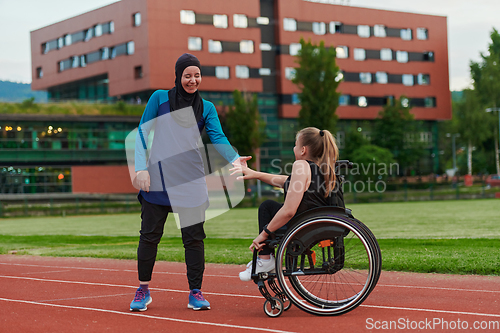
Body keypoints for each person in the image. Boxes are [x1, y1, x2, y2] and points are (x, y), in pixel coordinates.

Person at [130, 53, 250, 311]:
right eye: (187, 75)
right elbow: (142, 132)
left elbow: (218, 138)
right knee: (149, 237)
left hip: (191, 180)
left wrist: (236, 158)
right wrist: (140, 168)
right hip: (158, 179)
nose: (192, 80)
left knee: (194, 239)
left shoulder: (207, 107)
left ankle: (196, 292)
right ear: (178, 76)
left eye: (196, 75)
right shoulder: (159, 98)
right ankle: (143, 290)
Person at [231, 127, 344, 281]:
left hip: (302, 226)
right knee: (270, 206)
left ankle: (265, 259)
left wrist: (263, 235)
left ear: (303, 150)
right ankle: (266, 260)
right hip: (322, 225)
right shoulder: (324, 169)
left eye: (295, 144)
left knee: (268, 206)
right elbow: (286, 181)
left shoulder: (301, 165)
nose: (293, 148)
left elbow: (289, 211)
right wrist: (254, 174)